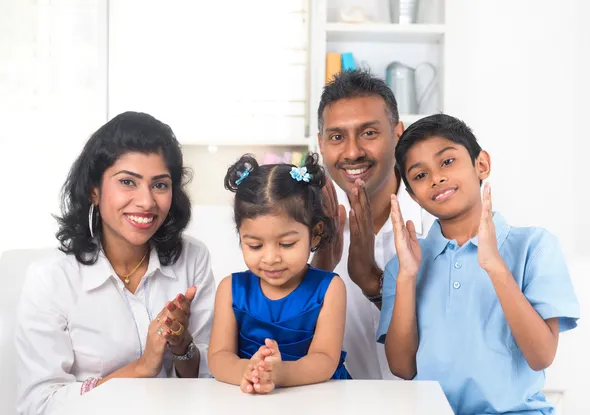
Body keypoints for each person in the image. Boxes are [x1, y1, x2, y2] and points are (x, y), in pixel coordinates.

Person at [15, 112, 216, 415]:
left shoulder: (192, 259)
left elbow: (211, 380)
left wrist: (182, 346)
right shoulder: (51, 279)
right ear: (94, 190)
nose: (147, 201)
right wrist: (142, 368)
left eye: (160, 185)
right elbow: (39, 404)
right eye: (127, 182)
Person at [379, 114, 580, 414]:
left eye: (447, 162)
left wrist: (494, 265)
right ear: (412, 196)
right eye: (420, 175)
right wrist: (408, 276)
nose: (436, 178)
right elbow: (403, 367)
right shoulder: (405, 264)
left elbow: (541, 356)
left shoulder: (535, 246)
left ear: (481, 164)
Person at [313, 69, 435, 379]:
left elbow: (456, 341)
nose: (352, 152)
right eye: (337, 137)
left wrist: (374, 284)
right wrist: (316, 272)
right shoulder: (305, 235)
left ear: (398, 135)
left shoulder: (440, 224)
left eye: (369, 133)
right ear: (321, 144)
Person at [208, 153, 349, 394]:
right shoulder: (231, 289)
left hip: (318, 400)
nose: (271, 258)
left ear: (314, 234)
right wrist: (249, 372)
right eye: (255, 245)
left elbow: (325, 359)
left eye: (286, 244)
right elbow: (219, 357)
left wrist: (279, 373)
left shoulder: (330, 289)